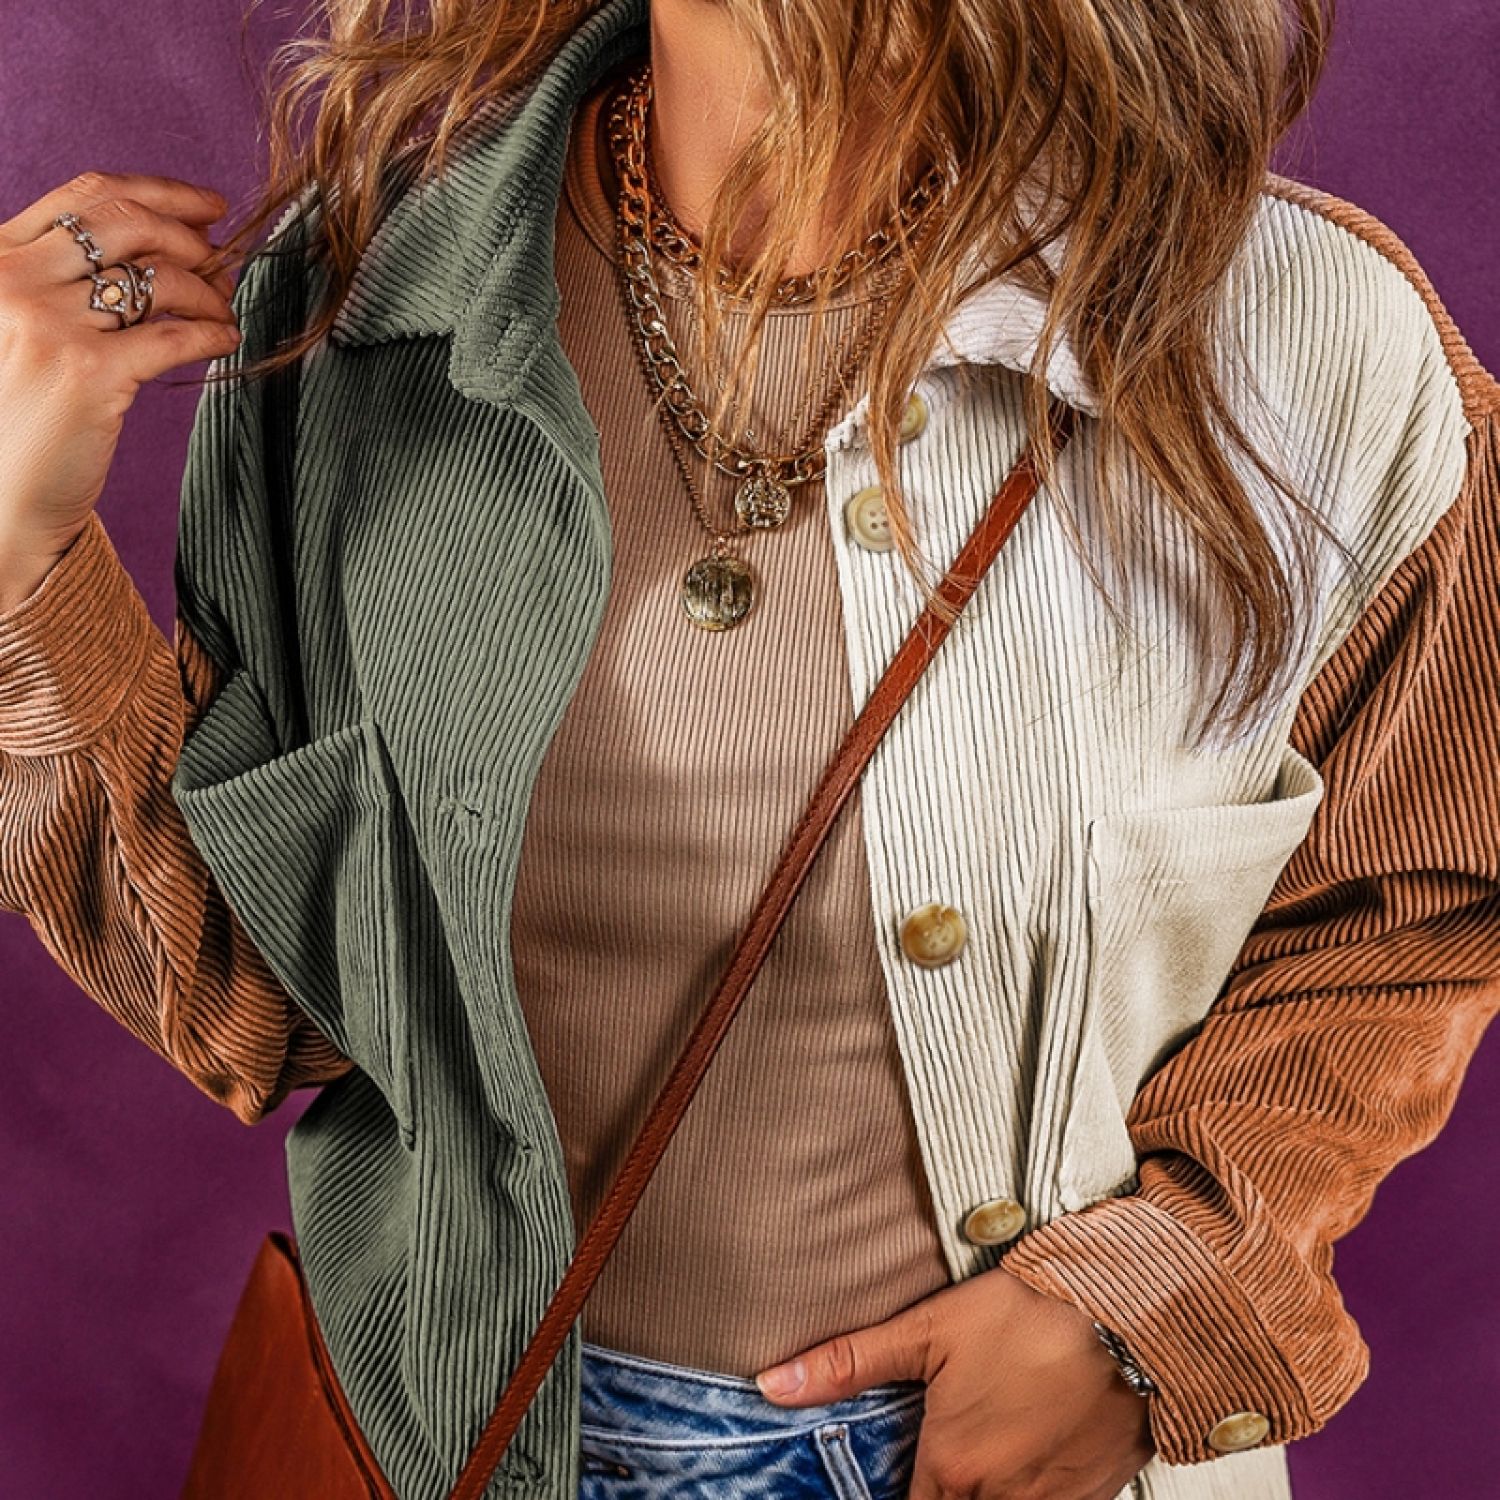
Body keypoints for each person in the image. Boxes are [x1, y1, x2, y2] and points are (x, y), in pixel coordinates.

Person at [0, 0, 1496, 1496]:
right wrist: (18, 561)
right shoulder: (361, 306)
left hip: (1014, 1463)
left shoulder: (1315, 338)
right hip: (465, 1439)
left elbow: (1413, 918)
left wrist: (1149, 1310)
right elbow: (259, 998)